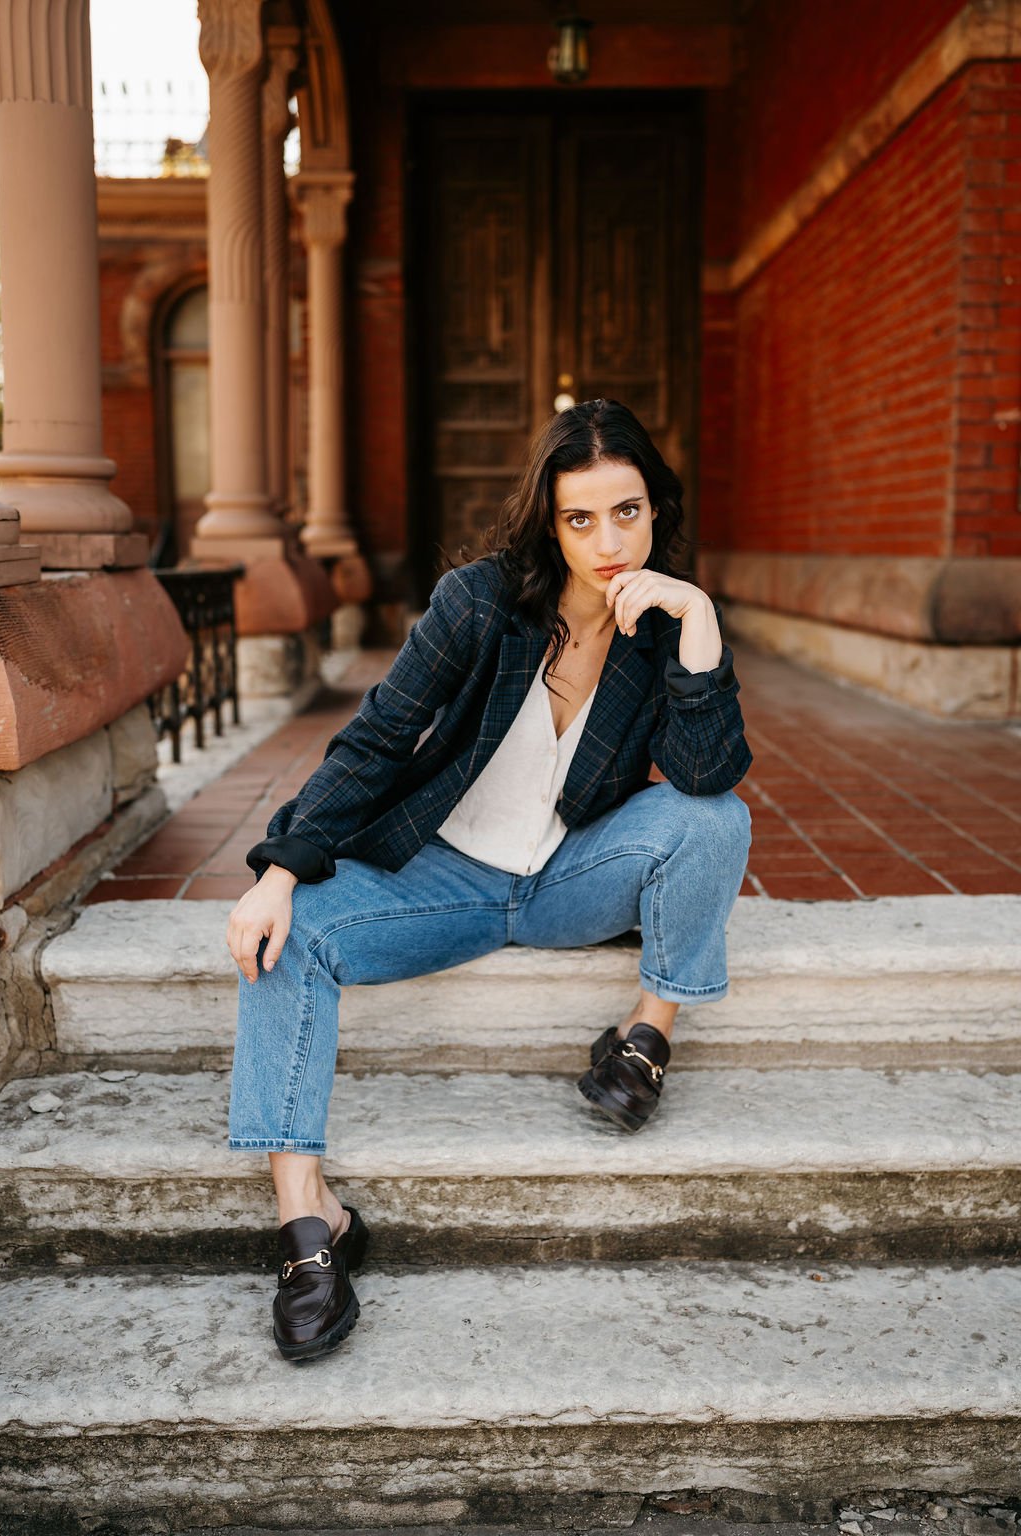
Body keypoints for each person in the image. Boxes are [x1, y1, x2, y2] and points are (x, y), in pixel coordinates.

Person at [226, 398, 753, 1363]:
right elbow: (379, 740)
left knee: (716, 818)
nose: (607, 540)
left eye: (626, 512)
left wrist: (700, 626)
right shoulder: (479, 603)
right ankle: (310, 1227)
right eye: (580, 518)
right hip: (445, 880)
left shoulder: (659, 622)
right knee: (288, 938)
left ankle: (644, 1039)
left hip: (566, 879)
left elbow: (705, 774)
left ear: (655, 511)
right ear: (547, 521)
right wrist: (281, 867)